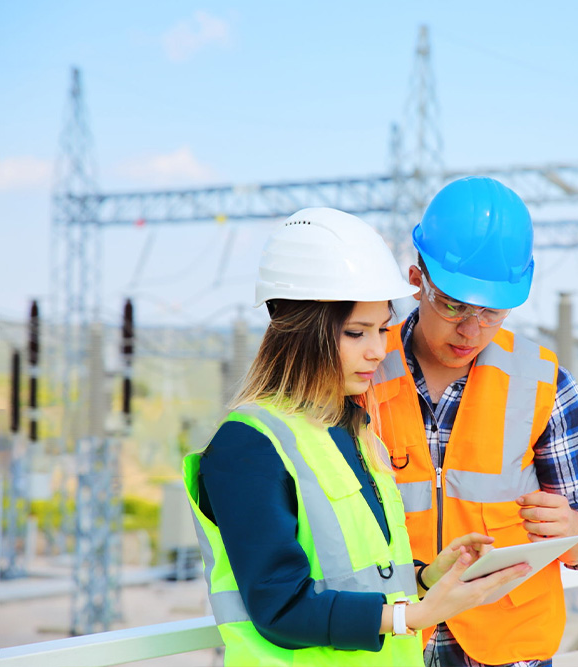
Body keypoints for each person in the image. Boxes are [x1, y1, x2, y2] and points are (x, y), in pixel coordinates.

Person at [182, 207, 530, 667]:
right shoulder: (248, 447)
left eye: (383, 328)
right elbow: (279, 608)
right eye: (355, 332)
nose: (377, 349)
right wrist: (415, 614)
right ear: (301, 333)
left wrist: (427, 577)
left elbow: (362, 577)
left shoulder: (353, 428)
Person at [372, 177, 578, 667]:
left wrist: (577, 529)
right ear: (415, 278)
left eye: (492, 312)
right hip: (391, 639)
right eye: (453, 306)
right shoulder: (362, 372)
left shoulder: (546, 386)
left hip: (506, 651)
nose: (471, 329)